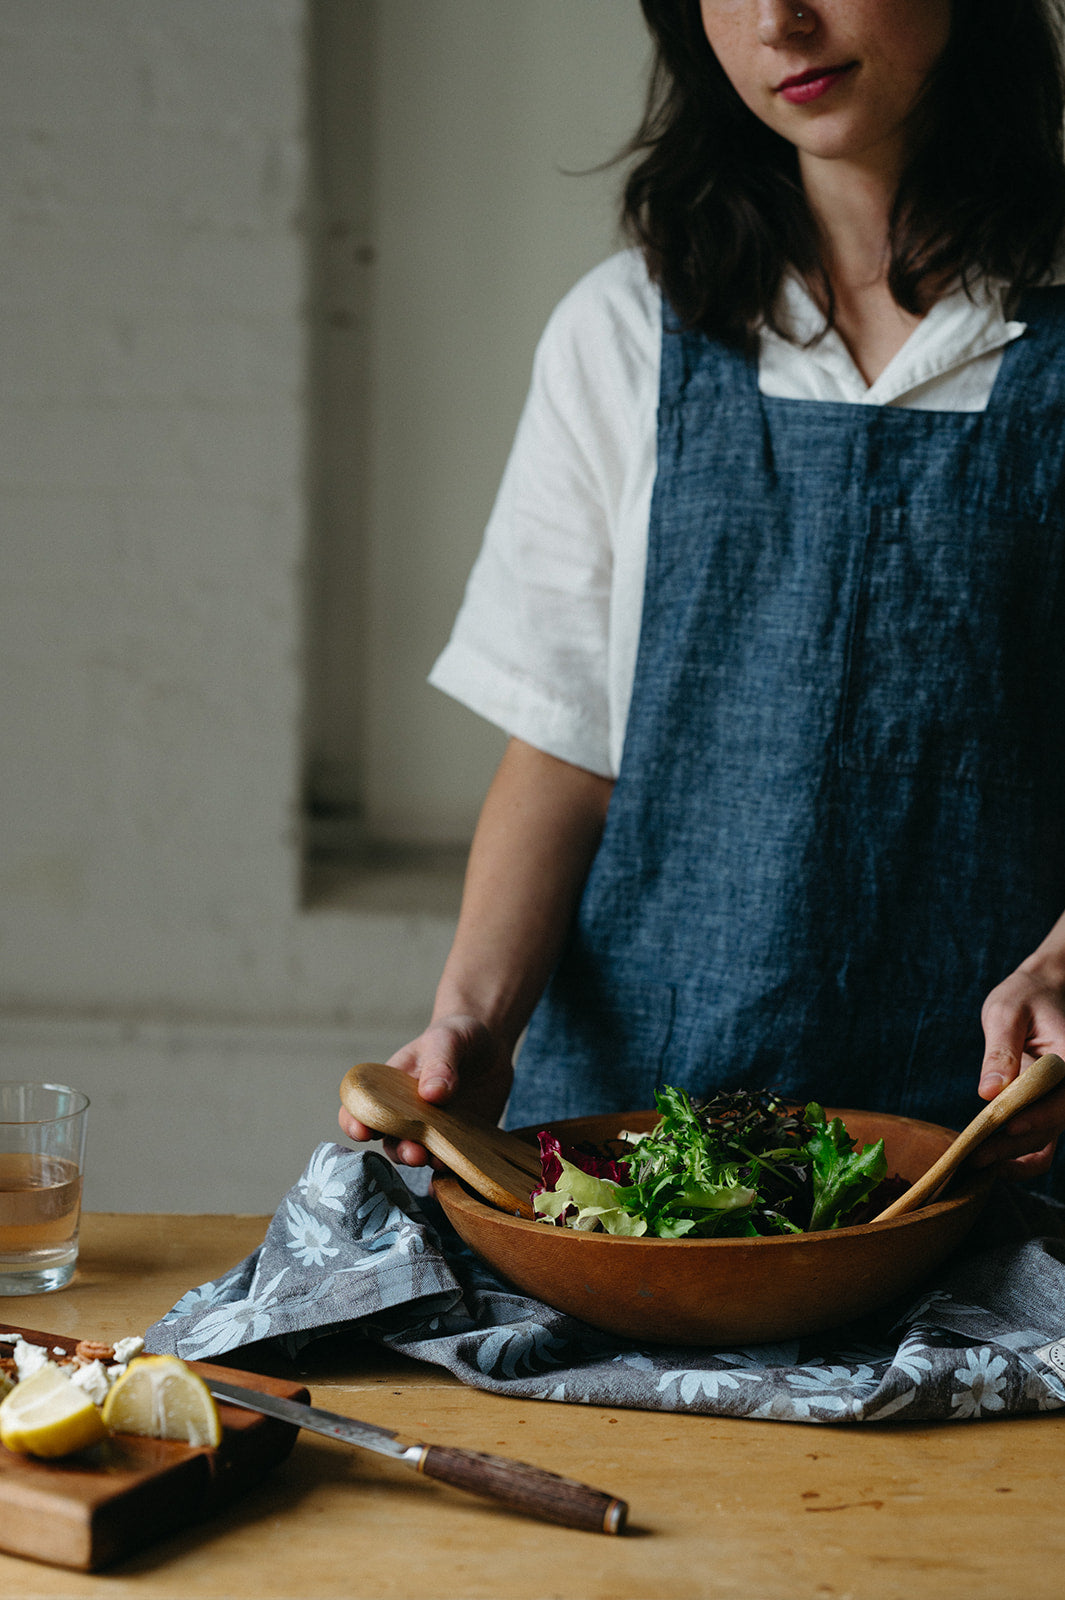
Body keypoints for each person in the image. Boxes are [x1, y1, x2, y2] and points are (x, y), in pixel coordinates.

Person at [341, 0, 1065, 1198]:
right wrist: (471, 1027)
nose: (782, 21)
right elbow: (568, 751)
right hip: (642, 1155)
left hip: (993, 1152)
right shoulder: (627, 330)